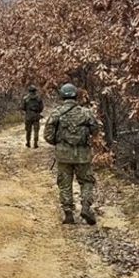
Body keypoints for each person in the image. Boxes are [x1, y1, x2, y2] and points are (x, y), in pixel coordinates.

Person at [43, 83, 99, 225]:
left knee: (64, 183)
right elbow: (95, 131)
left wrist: (59, 143)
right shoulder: (86, 112)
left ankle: (68, 213)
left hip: (63, 155)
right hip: (82, 155)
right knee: (86, 181)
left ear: (62, 95)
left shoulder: (57, 113)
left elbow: (47, 135)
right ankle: (86, 207)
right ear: (76, 95)